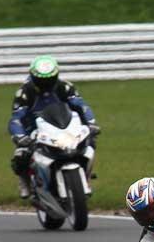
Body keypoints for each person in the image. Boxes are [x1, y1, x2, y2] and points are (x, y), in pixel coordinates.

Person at [8, 55, 100, 198]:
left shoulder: (65, 87)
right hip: (35, 130)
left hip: (63, 124)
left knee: (89, 142)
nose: (46, 83)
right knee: (21, 154)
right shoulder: (25, 92)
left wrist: (91, 123)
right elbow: (16, 118)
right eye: (42, 80)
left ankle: (86, 177)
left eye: (49, 79)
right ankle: (24, 182)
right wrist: (20, 136)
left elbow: (81, 106)